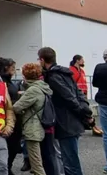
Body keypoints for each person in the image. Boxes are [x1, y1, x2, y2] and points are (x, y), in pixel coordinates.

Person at [38, 47, 93, 175]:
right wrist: (85, 109)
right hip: (71, 120)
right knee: (70, 159)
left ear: (42, 60)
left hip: (66, 122)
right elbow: (78, 92)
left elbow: (68, 97)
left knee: (70, 162)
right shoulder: (65, 72)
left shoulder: (53, 76)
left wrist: (84, 112)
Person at [13, 63, 53, 175]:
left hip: (32, 129)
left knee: (36, 165)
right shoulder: (43, 87)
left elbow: (16, 107)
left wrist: (22, 109)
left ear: (25, 75)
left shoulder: (33, 90)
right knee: (38, 161)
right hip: (40, 127)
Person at [0, 57, 23, 175]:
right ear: (5, 67)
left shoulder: (10, 81)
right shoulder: (1, 82)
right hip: (7, 118)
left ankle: (8, 167)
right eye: (12, 66)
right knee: (9, 146)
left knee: (13, 146)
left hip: (15, 118)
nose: (14, 69)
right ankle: (6, 168)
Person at [69, 55, 103, 137]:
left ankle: (91, 127)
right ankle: (92, 127)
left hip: (83, 94)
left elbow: (83, 82)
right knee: (84, 111)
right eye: (82, 60)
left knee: (85, 111)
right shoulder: (71, 70)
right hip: (76, 94)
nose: (83, 61)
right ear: (77, 61)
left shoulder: (82, 71)